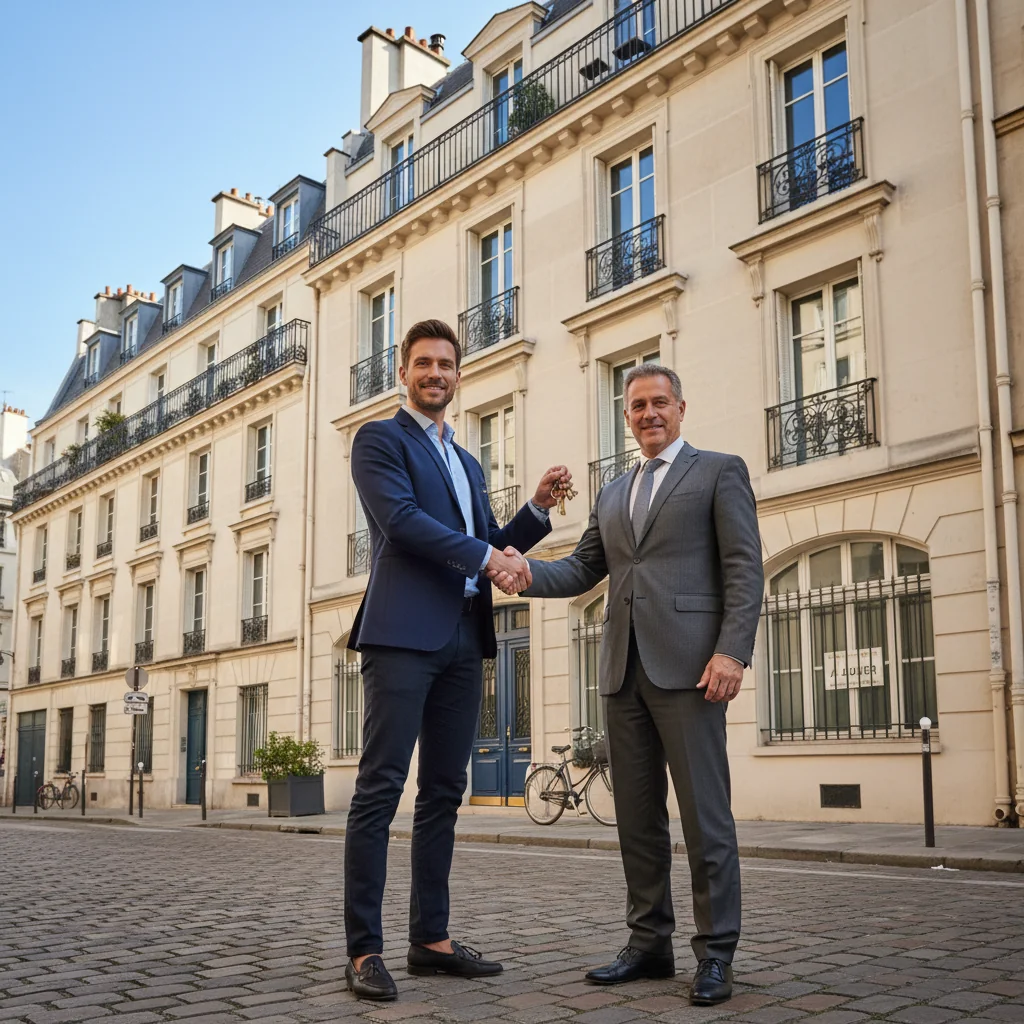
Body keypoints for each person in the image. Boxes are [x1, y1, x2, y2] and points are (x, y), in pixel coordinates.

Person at [490, 364, 762, 1006]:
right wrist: (524, 572)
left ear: (681, 407)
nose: (648, 414)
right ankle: (649, 944)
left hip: (692, 672)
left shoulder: (720, 472)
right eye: (636, 405)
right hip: (622, 672)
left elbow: (744, 569)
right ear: (626, 415)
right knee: (636, 821)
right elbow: (586, 569)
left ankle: (716, 953)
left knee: (705, 818)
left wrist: (732, 653)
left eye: (659, 402)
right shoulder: (613, 492)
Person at [344, 318, 572, 1002]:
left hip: (464, 639)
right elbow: (405, 523)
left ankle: (431, 940)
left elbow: (486, 539)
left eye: (446, 363)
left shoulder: (468, 462)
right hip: (403, 635)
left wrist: (533, 511)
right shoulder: (379, 440)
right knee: (380, 791)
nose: (435, 373)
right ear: (404, 372)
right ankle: (362, 951)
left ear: (458, 375)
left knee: (445, 791)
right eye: (423, 363)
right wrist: (489, 556)